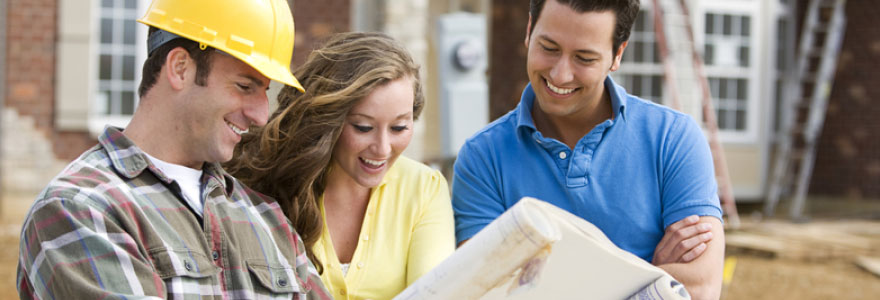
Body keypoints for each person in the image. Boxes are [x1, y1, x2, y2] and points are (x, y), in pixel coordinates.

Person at [16, 0, 330, 299]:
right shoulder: (80, 209)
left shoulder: (266, 219)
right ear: (180, 68)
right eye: (244, 86)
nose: (261, 115)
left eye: (264, 91)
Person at [451, 0, 724, 299]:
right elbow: (483, 291)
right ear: (530, 30)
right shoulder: (482, 158)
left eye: (584, 58)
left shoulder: (673, 139)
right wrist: (650, 273)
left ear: (617, 55)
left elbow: (699, 288)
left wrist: (541, 283)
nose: (560, 74)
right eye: (549, 48)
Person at [226, 32, 455, 300]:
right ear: (328, 121)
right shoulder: (266, 184)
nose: (382, 148)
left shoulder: (424, 188)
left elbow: (436, 294)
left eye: (399, 127)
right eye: (363, 127)